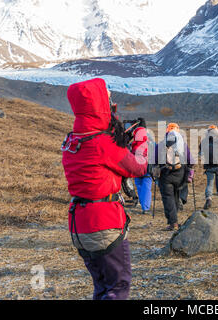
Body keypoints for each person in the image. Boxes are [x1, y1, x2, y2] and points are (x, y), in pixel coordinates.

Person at [61, 78, 148, 300]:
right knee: (118, 287)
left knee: (102, 287)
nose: (112, 105)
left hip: (79, 224)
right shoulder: (102, 143)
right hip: (104, 223)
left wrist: (118, 140)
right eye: (108, 99)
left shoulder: (73, 140)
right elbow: (138, 168)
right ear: (98, 105)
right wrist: (140, 140)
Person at [152, 123, 195, 231]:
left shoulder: (161, 144)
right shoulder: (183, 144)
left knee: (168, 198)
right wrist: (189, 171)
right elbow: (191, 161)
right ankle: (174, 219)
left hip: (165, 174)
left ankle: (173, 223)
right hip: (180, 174)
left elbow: (154, 160)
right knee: (176, 195)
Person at [199, 125, 218, 209]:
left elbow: (200, 153)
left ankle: (208, 198)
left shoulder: (204, 141)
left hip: (209, 166)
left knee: (209, 183)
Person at [134, 130, 155, 215]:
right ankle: (145, 208)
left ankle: (143, 204)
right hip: (147, 169)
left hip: (136, 169)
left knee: (139, 187)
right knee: (146, 188)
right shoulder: (151, 144)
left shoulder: (134, 145)